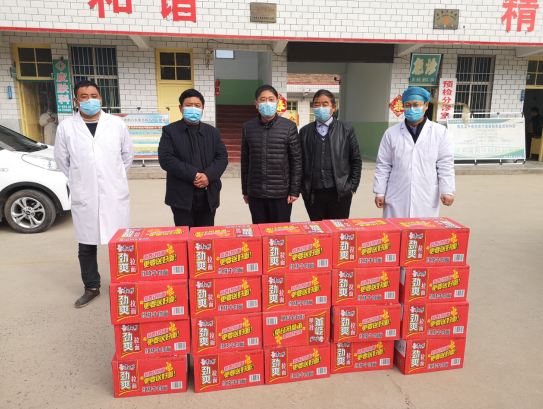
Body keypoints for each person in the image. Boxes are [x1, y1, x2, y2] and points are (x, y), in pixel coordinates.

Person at [54, 80, 133, 308]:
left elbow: (127, 156)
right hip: (85, 194)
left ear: (100, 98)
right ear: (76, 101)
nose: (90, 100)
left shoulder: (116, 124)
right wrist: (83, 178)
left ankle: (123, 284)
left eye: (94, 95)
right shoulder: (66, 127)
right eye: (84, 96)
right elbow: (62, 161)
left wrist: (113, 178)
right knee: (86, 245)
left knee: (120, 243)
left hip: (113, 192)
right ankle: (91, 287)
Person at [373, 86, 455, 218]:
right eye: (408, 105)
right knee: (396, 228)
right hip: (397, 194)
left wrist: (448, 190)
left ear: (426, 106)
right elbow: (383, 164)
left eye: (416, 105)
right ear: (403, 107)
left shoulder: (439, 132)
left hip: (425, 194)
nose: (412, 109)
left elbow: (445, 163)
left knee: (423, 229)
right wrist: (380, 192)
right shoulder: (391, 133)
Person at [158, 88, 228, 227]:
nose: (193, 109)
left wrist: (208, 176)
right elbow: (166, 159)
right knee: (185, 236)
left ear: (202, 109)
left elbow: (222, 157)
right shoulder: (170, 131)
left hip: (208, 196)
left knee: (205, 236)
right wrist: (193, 174)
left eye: (197, 105)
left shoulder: (213, 132)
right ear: (181, 108)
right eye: (189, 105)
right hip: (181, 196)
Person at [241, 85, 302, 224]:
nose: (267, 103)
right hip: (256, 193)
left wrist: (294, 191)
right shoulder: (247, 128)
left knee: (280, 233)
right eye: (263, 100)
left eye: (271, 99)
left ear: (277, 102)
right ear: (256, 104)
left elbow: (296, 161)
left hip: (281, 194)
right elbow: (245, 161)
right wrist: (246, 190)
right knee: (260, 232)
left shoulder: (289, 127)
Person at [299, 89, 362, 221]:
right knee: (318, 229)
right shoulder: (305, 132)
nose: (320, 108)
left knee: (338, 229)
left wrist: (352, 187)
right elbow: (299, 161)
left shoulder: (346, 129)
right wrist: (302, 188)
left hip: (340, 193)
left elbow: (355, 160)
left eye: (325, 104)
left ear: (333, 107)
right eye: (317, 104)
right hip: (313, 194)